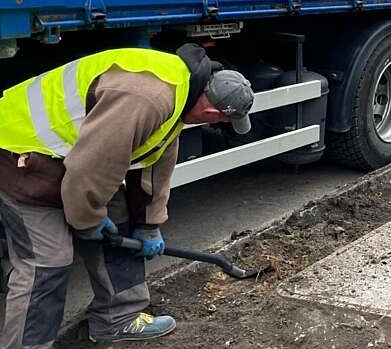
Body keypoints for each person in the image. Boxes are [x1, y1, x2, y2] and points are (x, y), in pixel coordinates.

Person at [0, 44, 254, 346]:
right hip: (20, 155)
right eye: (221, 121)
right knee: (48, 262)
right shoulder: (148, 97)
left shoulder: (183, 91)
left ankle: (118, 319)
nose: (214, 125)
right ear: (212, 112)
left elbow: (155, 161)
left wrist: (149, 224)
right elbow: (92, 167)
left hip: (64, 159)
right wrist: (87, 220)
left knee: (119, 217)